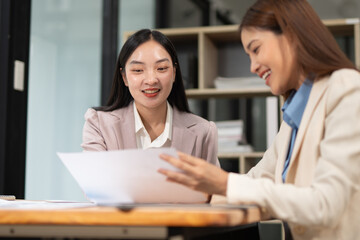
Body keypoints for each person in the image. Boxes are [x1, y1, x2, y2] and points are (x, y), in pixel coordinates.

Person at [158, 0, 360, 239]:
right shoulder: (292, 119)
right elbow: (255, 181)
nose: (252, 66)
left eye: (256, 49)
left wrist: (224, 183)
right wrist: (194, 191)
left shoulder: (346, 88)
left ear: (292, 36)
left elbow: (325, 203)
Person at [81, 29, 219, 168]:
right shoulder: (98, 125)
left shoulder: (204, 132)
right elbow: (94, 185)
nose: (151, 80)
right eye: (138, 70)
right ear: (124, 77)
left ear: (174, 73)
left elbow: (214, 189)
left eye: (161, 68)